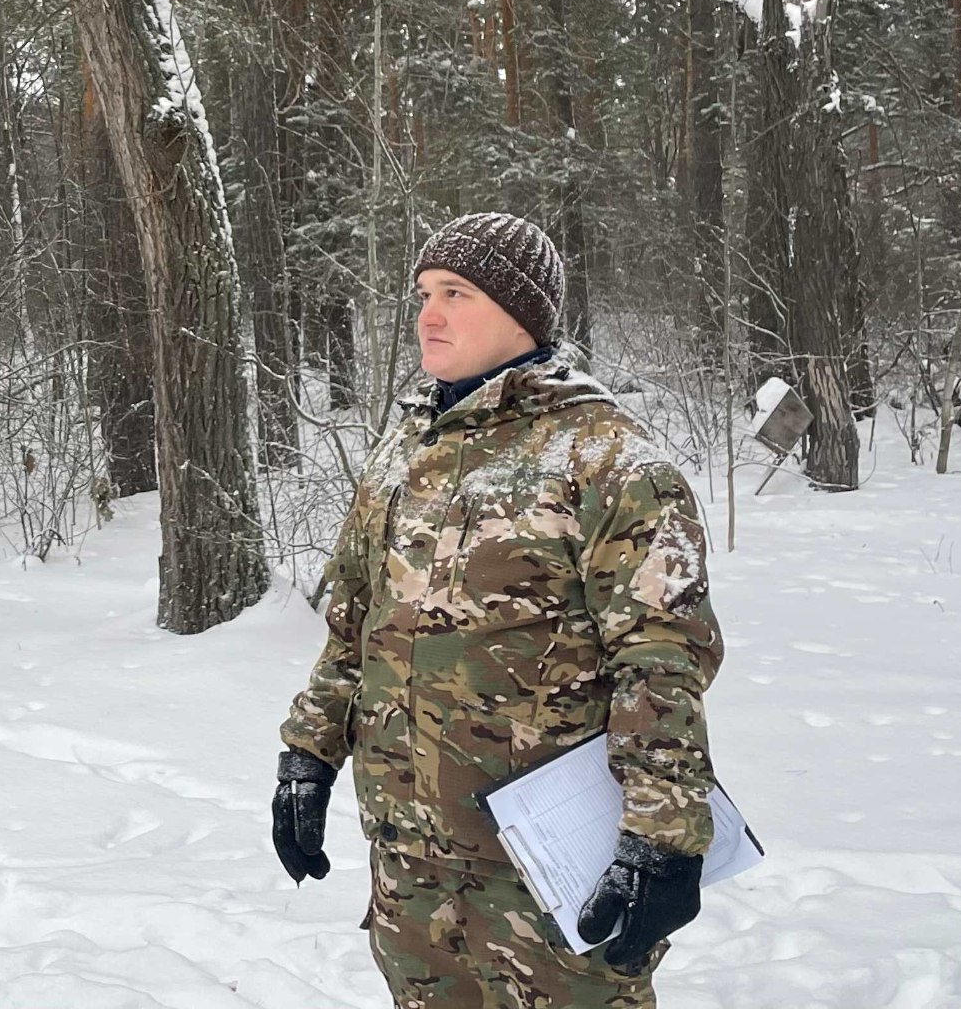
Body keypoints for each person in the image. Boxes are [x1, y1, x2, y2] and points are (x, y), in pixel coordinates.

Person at [270, 212, 722, 1009]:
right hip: (410, 863)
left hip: (548, 876)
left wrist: (662, 837)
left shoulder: (608, 461)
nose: (428, 315)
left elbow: (661, 663)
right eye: (422, 294)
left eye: (457, 292)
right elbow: (354, 622)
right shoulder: (407, 449)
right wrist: (309, 755)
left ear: (523, 314)